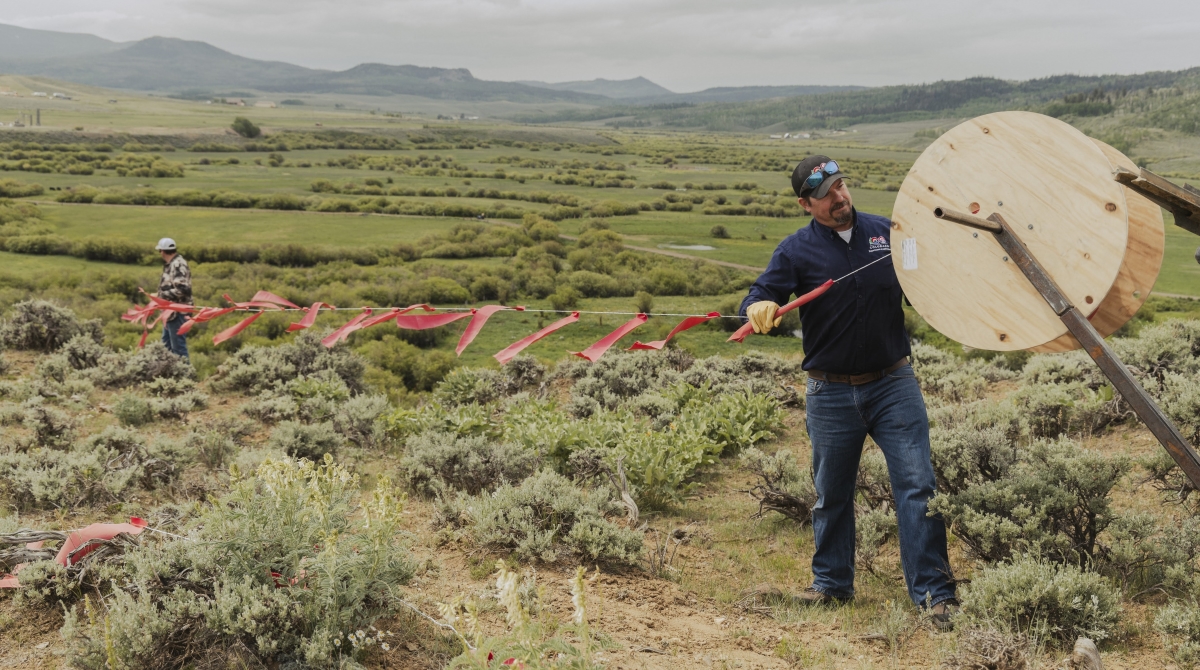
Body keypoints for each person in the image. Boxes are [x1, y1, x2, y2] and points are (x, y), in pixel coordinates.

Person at [739, 155, 957, 626]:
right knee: (831, 494)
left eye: (841, 186)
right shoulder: (795, 252)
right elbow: (757, 296)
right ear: (806, 204)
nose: (839, 198)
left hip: (894, 385)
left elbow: (935, 279)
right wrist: (759, 307)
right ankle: (832, 586)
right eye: (825, 195)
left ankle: (935, 596)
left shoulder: (890, 234)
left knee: (918, 486)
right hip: (830, 394)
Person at [155, 237, 192, 359]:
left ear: (162, 251)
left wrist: (162, 295)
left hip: (178, 313)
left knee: (178, 350)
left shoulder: (177, 265)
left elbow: (184, 290)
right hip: (171, 314)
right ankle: (169, 375)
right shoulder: (174, 264)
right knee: (166, 348)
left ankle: (186, 376)